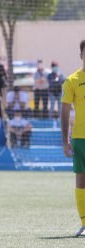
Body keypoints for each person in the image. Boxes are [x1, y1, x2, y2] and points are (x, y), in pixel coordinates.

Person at [61, 40, 85, 237]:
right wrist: (65, 140)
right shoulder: (72, 80)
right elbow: (65, 111)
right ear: (81, 55)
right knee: (82, 180)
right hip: (80, 138)